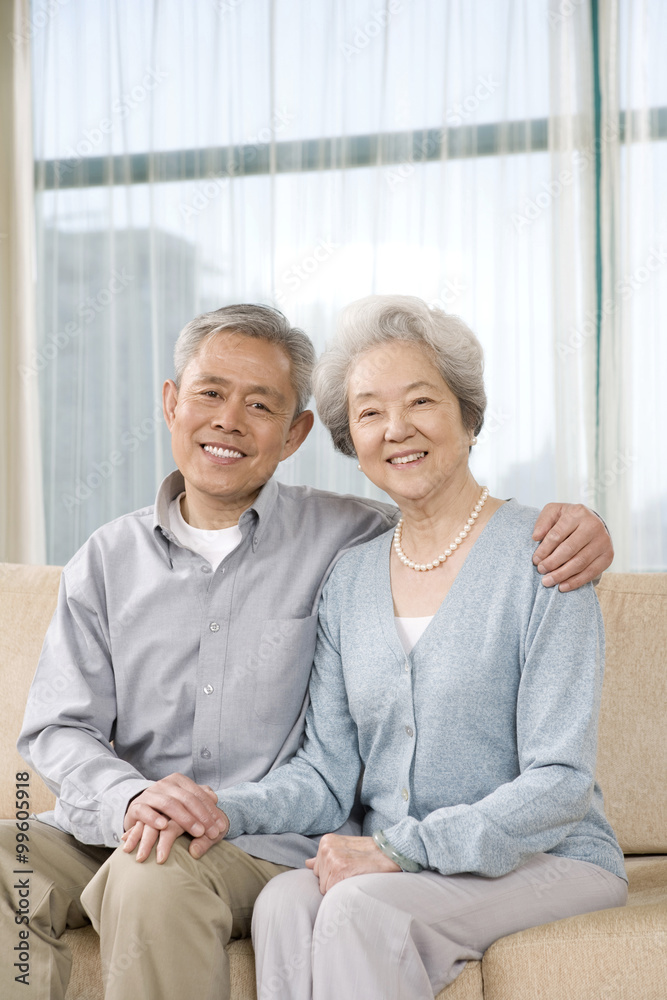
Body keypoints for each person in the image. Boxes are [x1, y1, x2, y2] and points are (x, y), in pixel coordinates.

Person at [0, 304, 613, 1000]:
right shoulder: (118, 557)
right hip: (125, 821)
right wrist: (142, 798)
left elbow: (455, 520)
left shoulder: (355, 539)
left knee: (178, 875)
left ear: (295, 434)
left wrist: (588, 523)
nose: (228, 419)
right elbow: (58, 727)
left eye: (259, 404)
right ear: (171, 404)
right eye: (209, 393)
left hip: (267, 847)